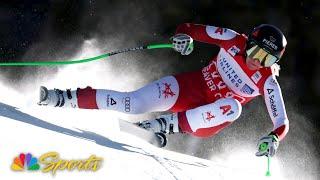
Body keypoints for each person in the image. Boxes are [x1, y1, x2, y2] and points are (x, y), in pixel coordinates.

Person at [38, 23, 289, 157]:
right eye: (256, 52)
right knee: (132, 103)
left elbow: (281, 121)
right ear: (249, 43)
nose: (258, 61)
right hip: (191, 87)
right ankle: (63, 98)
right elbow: (189, 28)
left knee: (233, 107)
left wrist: (274, 138)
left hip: (205, 118)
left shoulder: (266, 81)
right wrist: (183, 38)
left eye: (267, 60)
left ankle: (160, 125)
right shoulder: (233, 39)